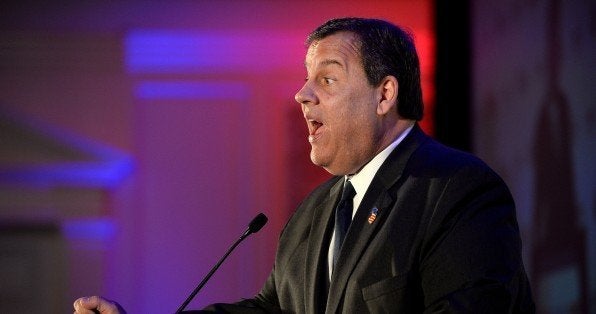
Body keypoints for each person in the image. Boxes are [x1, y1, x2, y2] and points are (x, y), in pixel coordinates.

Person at [74, 17, 535, 313]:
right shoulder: (315, 210)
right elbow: (270, 310)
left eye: (327, 78)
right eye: (305, 79)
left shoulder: (459, 191)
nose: (302, 94)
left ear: (385, 94)